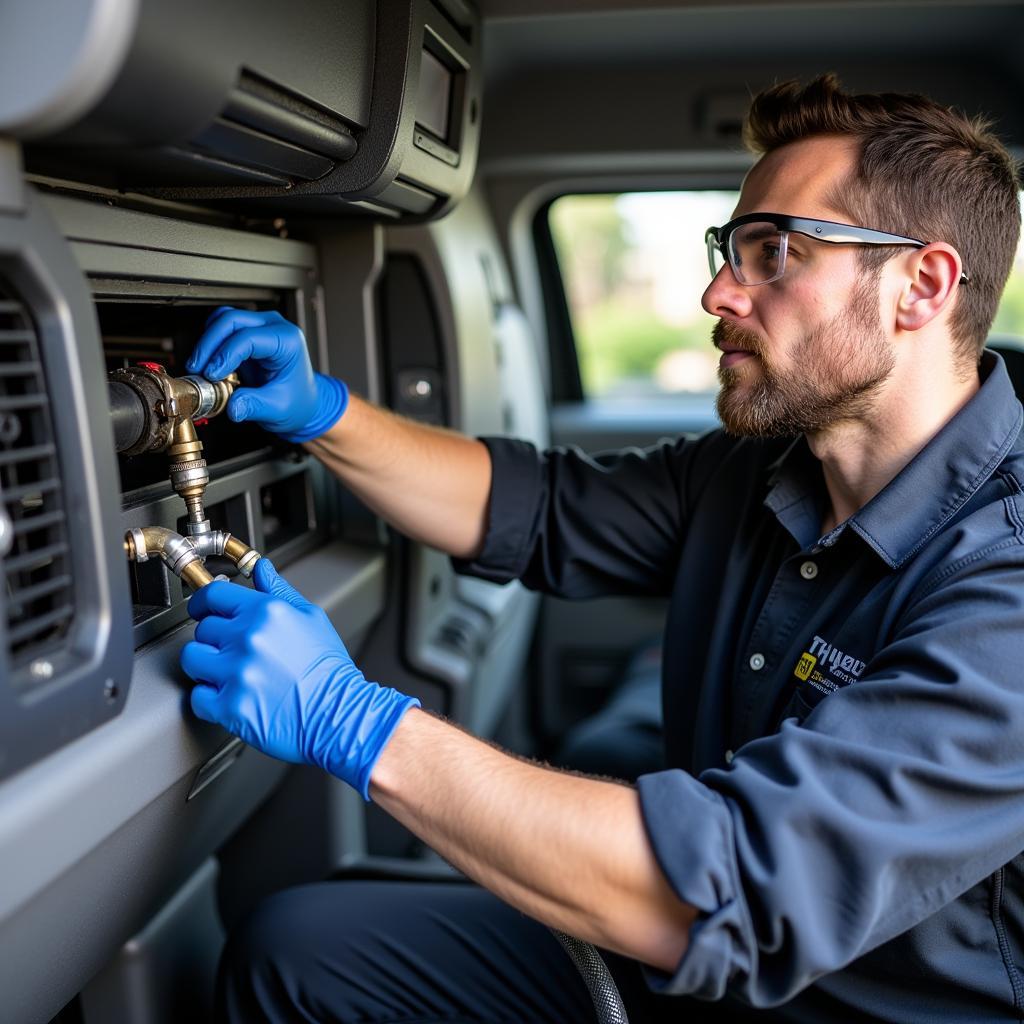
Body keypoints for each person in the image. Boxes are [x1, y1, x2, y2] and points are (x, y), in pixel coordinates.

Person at [181, 75, 1024, 1022]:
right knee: (293, 949)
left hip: (813, 988)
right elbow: (538, 509)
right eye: (730, 250)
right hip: (694, 970)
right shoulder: (765, 472)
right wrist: (322, 415)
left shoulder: (1006, 593)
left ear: (923, 285)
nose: (719, 291)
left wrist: (355, 722)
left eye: (772, 252)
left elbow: (726, 887)